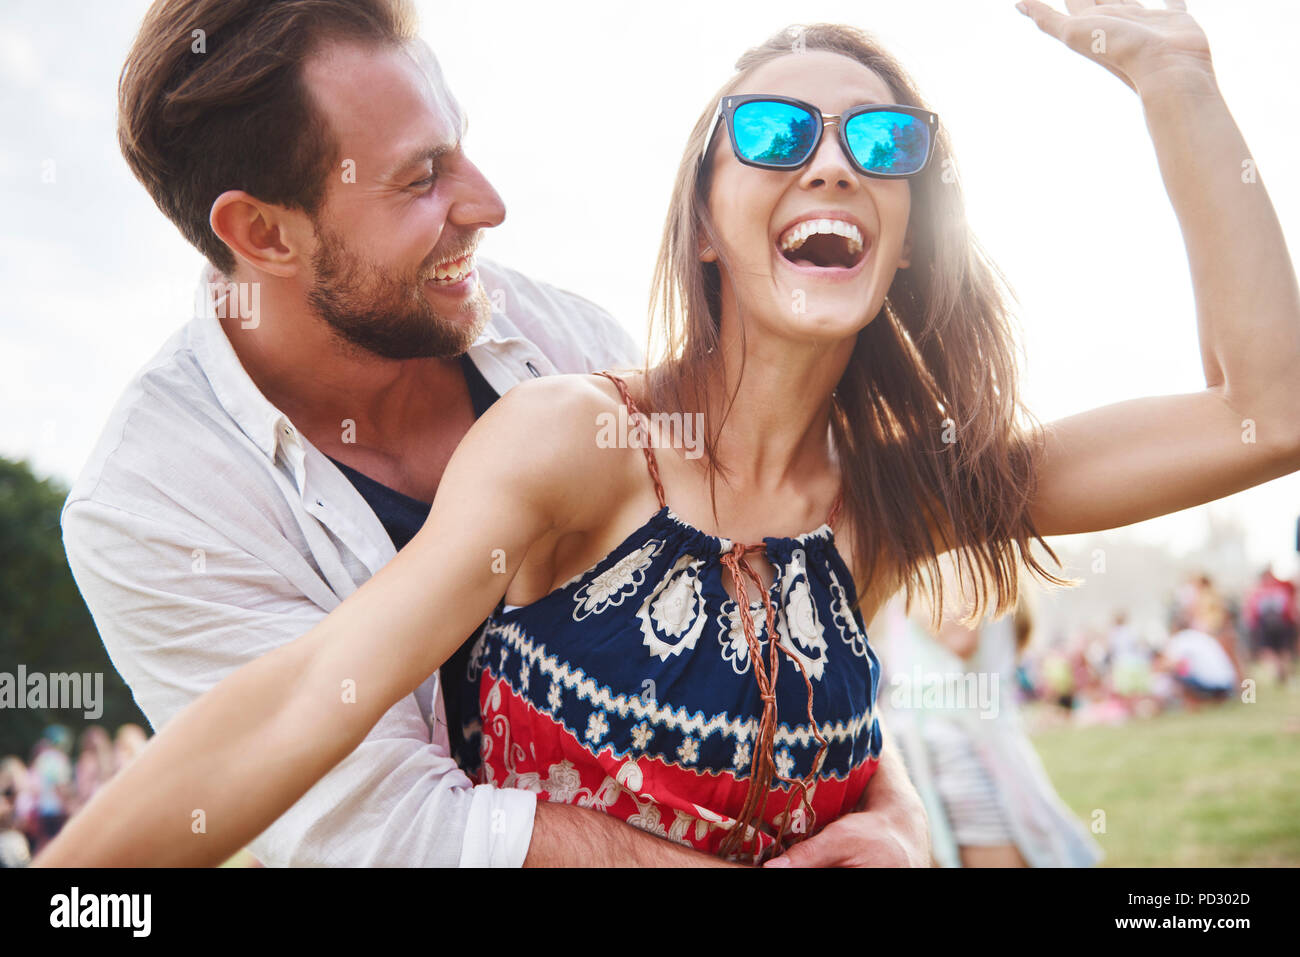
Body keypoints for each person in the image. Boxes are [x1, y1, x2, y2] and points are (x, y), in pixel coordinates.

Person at [41, 1, 1300, 867]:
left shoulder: (895, 490)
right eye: (768, 133)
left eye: (880, 141)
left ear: (911, 227)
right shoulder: (575, 438)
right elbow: (322, 729)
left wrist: (1175, 78)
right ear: (701, 218)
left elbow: (1268, 414)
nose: (829, 163)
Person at [57, 0, 926, 867]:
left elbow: (751, 631)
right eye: (422, 177)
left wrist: (893, 807)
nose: (489, 203)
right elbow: (387, 827)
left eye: (458, 145)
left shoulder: (566, 347)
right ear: (262, 232)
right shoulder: (147, 507)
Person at [879, 562, 1102, 868]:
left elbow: (961, 635)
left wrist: (902, 582)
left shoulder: (957, 548)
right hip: (937, 744)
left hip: (960, 747)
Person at [1245, 566, 1297, 684]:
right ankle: (1285, 674)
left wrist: (1253, 627)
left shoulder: (1257, 591)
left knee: (1269, 651)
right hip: (1282, 623)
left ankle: (1279, 673)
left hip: (1266, 625)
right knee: (1283, 650)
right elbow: (1288, 608)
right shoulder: (1281, 588)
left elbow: (1252, 612)